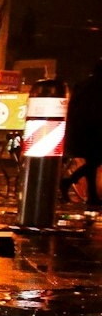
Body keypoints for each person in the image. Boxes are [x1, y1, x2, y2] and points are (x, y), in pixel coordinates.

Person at [61, 69, 102, 211]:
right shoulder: (95, 87)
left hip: (86, 131)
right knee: (94, 162)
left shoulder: (85, 85)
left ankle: (72, 184)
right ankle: (88, 194)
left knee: (93, 163)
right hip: (94, 130)